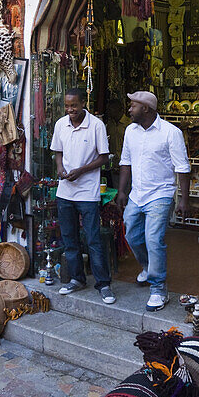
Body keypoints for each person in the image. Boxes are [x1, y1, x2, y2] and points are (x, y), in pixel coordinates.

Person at [117, 91, 191, 311]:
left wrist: (183, 200)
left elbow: (182, 168)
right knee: (131, 233)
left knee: (153, 239)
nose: (129, 110)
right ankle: (148, 267)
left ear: (146, 109)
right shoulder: (130, 131)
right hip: (137, 194)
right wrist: (122, 191)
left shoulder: (171, 133)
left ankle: (158, 288)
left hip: (160, 193)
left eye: (133, 106)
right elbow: (125, 162)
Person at [50, 87, 116, 304]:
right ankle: (77, 279)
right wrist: (60, 168)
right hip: (65, 190)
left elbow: (104, 158)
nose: (70, 110)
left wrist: (81, 170)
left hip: (88, 192)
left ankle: (103, 284)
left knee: (93, 239)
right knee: (69, 238)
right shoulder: (61, 124)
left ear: (83, 104)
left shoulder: (96, 125)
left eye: (74, 106)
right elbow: (57, 152)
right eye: (67, 106)